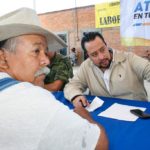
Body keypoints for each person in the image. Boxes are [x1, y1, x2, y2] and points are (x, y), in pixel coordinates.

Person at [0, 8, 108, 150]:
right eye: (36, 51)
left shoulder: (131, 60)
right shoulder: (30, 99)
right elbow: (99, 144)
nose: (46, 60)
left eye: (45, 52)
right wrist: (84, 114)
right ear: (3, 58)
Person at [64, 32, 150, 107]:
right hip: (104, 117)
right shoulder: (86, 66)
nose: (101, 56)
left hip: (137, 114)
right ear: (88, 56)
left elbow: (147, 69)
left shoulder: (129, 59)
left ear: (106, 45)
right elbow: (71, 86)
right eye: (94, 54)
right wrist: (75, 96)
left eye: (102, 49)